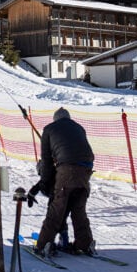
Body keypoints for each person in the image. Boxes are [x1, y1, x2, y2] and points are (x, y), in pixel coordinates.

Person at [28, 107, 95, 257]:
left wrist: (43, 183)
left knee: (56, 210)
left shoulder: (49, 129)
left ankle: (43, 246)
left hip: (67, 170)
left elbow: (46, 162)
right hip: (86, 170)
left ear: (55, 119)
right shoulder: (79, 128)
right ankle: (85, 244)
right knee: (79, 210)